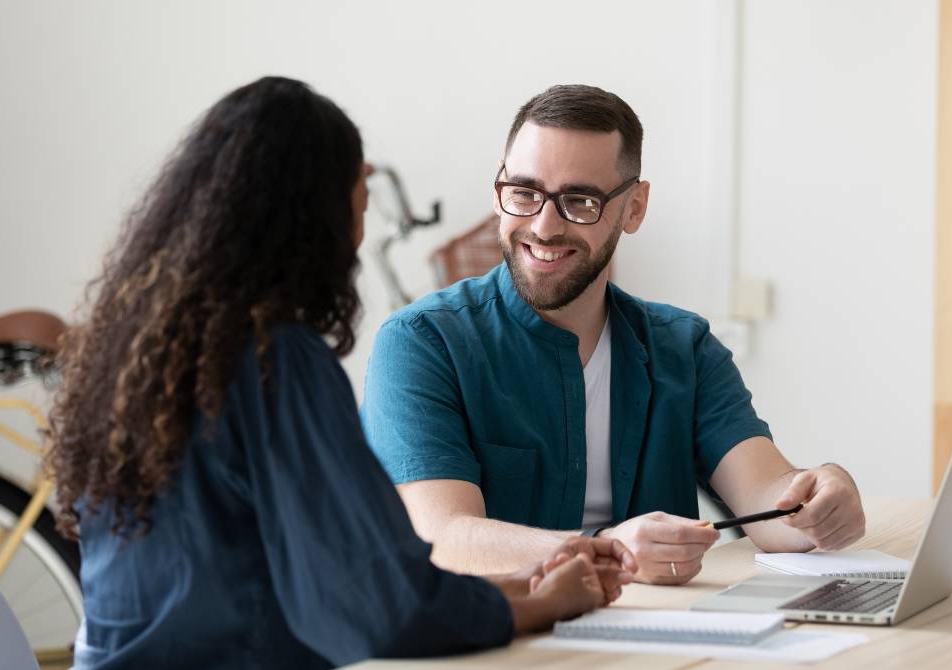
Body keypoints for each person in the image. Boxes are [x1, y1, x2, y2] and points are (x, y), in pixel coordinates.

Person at [45, 77, 633, 670]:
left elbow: (356, 588)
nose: (359, 232)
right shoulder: (276, 362)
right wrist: (542, 605)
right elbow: (369, 608)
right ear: (313, 219)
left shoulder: (136, 355)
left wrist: (527, 582)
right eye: (359, 202)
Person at [361, 84, 866, 586]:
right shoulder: (422, 343)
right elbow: (443, 539)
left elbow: (771, 503)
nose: (543, 226)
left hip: (657, 637)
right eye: (524, 193)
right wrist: (606, 551)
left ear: (634, 208)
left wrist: (820, 495)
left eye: (580, 201)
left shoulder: (683, 347)